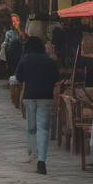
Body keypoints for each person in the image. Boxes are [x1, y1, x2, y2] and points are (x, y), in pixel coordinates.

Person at [10, 35, 60, 174]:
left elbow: (18, 78)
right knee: (43, 128)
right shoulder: (50, 62)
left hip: (30, 96)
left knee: (31, 126)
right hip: (46, 96)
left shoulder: (25, 60)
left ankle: (33, 152)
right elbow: (57, 78)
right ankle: (42, 160)